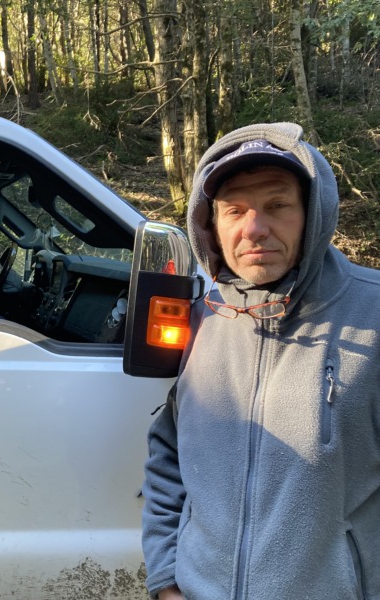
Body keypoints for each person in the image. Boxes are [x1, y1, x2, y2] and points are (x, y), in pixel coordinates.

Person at [141, 122, 380, 599]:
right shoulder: (199, 320)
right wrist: (167, 579)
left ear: (312, 212)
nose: (254, 229)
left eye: (277, 205)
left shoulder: (372, 314)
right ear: (210, 223)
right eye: (234, 210)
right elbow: (168, 459)